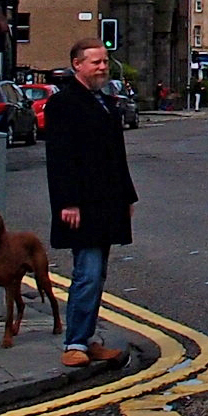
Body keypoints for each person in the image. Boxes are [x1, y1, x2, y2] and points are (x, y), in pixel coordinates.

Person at [44, 39, 135, 368]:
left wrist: (128, 197)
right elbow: (60, 158)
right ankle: (76, 343)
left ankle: (87, 339)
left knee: (97, 275)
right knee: (88, 273)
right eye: (95, 62)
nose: (102, 67)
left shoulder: (107, 103)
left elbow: (117, 157)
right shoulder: (64, 104)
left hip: (107, 203)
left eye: (104, 61)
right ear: (76, 65)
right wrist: (67, 202)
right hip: (80, 205)